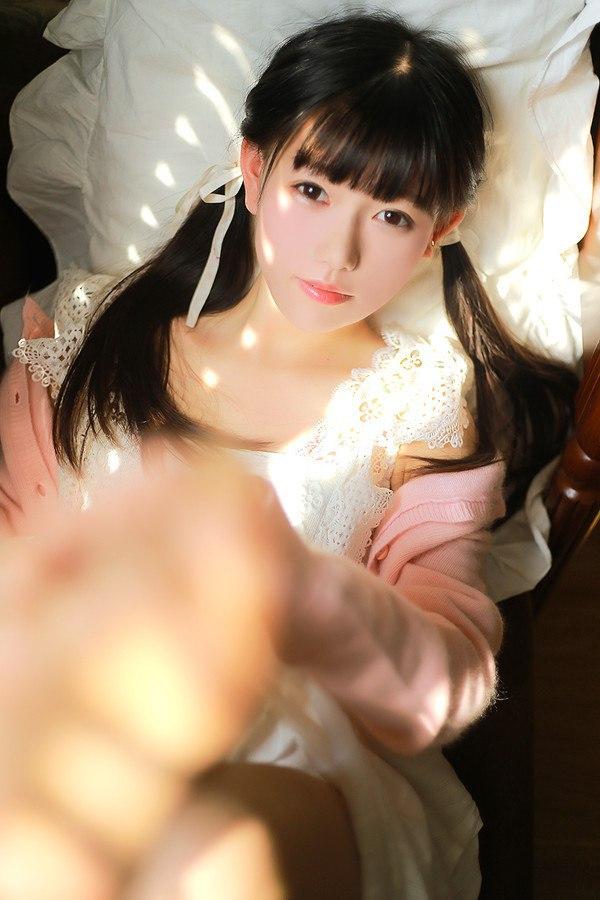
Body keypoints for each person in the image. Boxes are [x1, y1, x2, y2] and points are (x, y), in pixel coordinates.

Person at [0, 9, 577, 899]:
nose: (338, 253)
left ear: (441, 229)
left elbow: (451, 681)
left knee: (211, 859)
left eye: (391, 213)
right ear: (253, 168)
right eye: (313, 190)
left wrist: (304, 594)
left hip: (296, 768)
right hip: (69, 735)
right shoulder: (86, 341)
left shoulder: (419, 411)